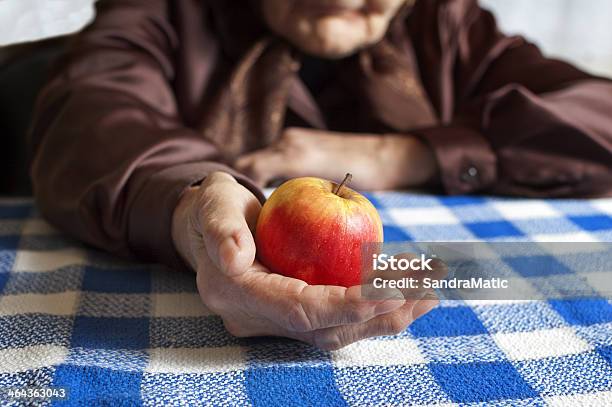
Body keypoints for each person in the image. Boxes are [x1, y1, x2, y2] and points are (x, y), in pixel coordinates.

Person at [29, 0, 612, 350]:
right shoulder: (166, 11)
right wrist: (195, 208)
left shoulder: (444, 24)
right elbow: (91, 112)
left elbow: (597, 108)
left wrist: (399, 155)